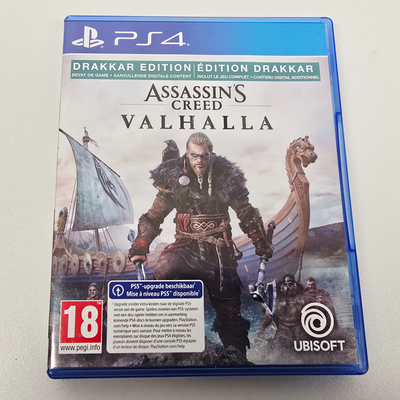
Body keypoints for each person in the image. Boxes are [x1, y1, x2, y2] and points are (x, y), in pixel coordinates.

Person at [129, 132, 273, 356]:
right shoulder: (174, 175)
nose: (199, 161)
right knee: (165, 269)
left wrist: (259, 241)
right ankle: (175, 338)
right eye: (194, 156)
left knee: (229, 314)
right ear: (187, 154)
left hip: (220, 252)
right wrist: (140, 246)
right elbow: (154, 215)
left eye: (203, 156)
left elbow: (245, 212)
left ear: (210, 154)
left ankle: (236, 358)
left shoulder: (225, 174)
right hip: (186, 246)